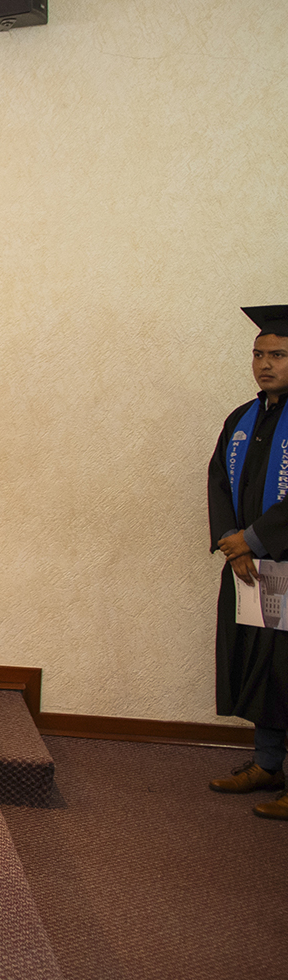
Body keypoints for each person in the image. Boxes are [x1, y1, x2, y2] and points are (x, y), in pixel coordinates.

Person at [206, 304, 288, 820]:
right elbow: (218, 479)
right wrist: (230, 542)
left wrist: (254, 539)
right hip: (253, 569)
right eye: (258, 354)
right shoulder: (242, 418)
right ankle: (268, 764)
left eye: (277, 354)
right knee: (263, 668)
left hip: (284, 564)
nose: (264, 364)